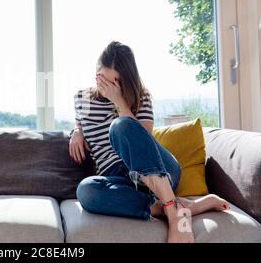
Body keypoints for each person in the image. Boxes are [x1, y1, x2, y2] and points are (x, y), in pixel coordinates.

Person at [69, 41, 230, 243]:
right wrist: (77, 130)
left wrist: (119, 102)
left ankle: (174, 215)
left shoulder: (141, 96)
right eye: (104, 81)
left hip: (158, 169)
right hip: (120, 180)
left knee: (121, 126)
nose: (108, 88)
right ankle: (181, 206)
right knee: (86, 190)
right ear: (96, 74)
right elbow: (79, 119)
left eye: (115, 82)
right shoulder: (82, 98)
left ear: (126, 79)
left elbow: (143, 141)